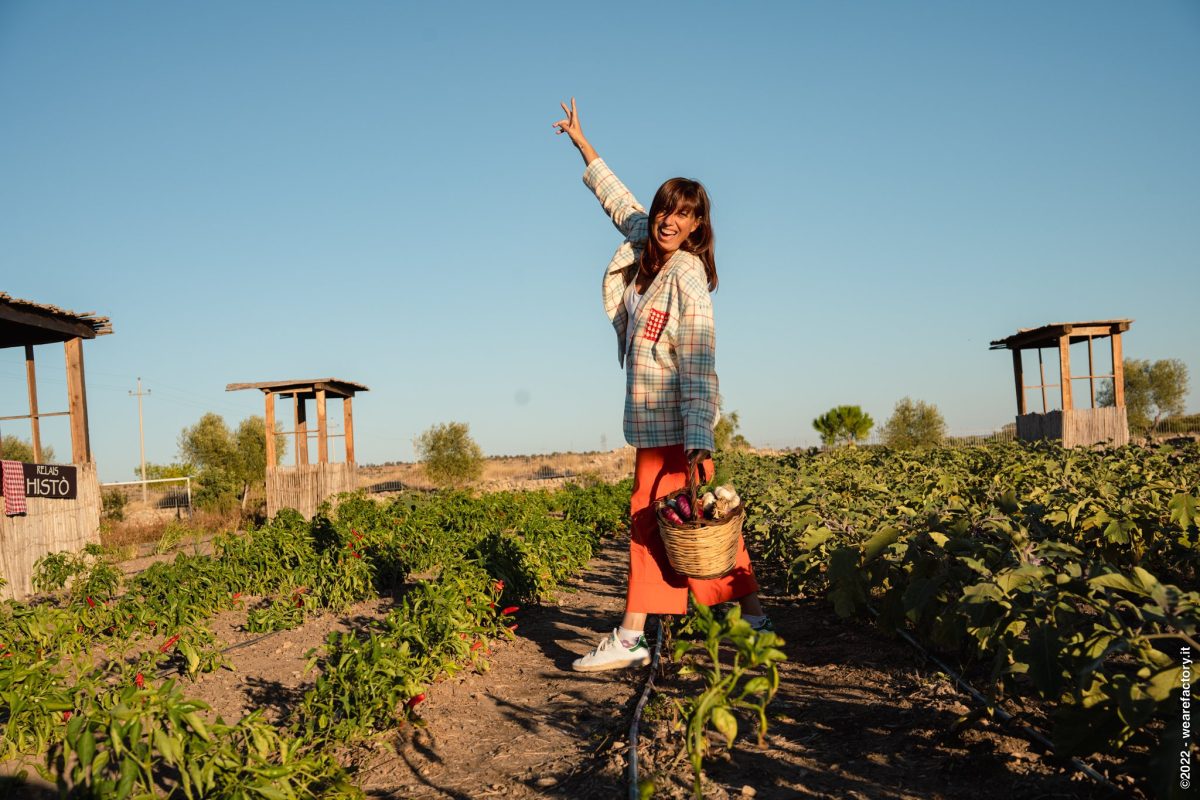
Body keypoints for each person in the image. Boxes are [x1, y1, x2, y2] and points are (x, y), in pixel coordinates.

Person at [553, 98, 771, 673]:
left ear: (699, 225)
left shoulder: (687, 274)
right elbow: (618, 202)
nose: (670, 220)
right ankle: (751, 613)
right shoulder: (646, 249)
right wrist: (583, 142)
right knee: (695, 515)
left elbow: (700, 357)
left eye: (684, 215)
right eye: (665, 211)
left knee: (655, 518)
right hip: (654, 424)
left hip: (677, 423)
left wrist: (700, 431)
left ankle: (631, 635)